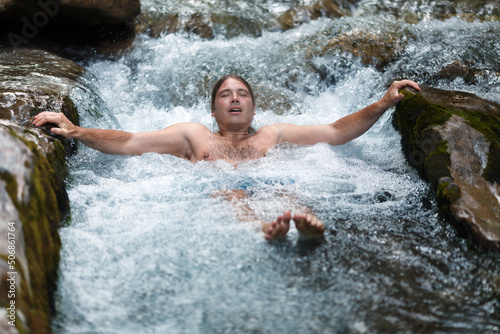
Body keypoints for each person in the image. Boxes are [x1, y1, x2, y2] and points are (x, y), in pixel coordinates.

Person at [33, 75, 420, 241]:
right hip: (219, 189)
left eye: (242, 94)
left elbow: (336, 133)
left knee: (287, 192)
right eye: (225, 95)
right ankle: (262, 232)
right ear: (213, 111)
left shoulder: (275, 134)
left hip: (274, 183)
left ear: (253, 107)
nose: (234, 98)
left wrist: (384, 102)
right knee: (231, 192)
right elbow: (132, 141)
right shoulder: (193, 136)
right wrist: (77, 131)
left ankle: (301, 224)